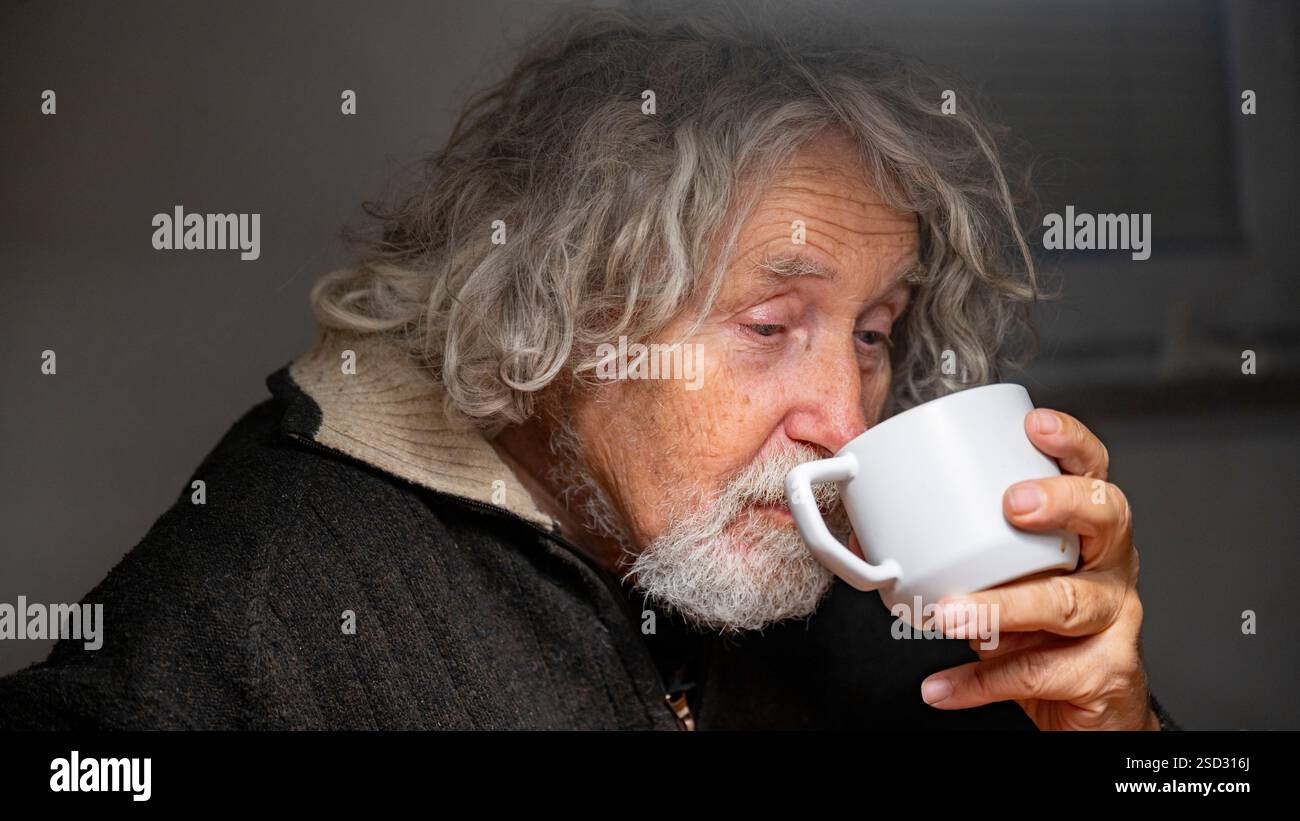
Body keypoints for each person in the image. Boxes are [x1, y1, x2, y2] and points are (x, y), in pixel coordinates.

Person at [0, 3, 1178, 730]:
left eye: (871, 333)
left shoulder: (874, 564)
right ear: (558, 309)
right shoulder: (271, 585)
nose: (841, 419)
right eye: (770, 326)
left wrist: (1114, 729)